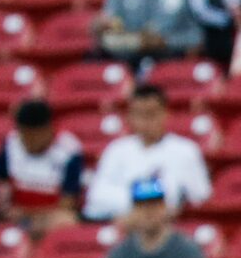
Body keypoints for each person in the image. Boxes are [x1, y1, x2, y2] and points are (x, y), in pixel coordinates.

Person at [81, 84, 211, 221]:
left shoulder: (186, 151)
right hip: (121, 224)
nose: (146, 121)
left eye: (151, 114)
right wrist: (143, 207)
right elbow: (96, 196)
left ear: (165, 113)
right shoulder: (116, 150)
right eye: (139, 114)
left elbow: (201, 197)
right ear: (130, 116)